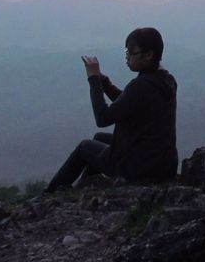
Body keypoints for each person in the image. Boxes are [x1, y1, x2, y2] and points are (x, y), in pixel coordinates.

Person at [45, 27, 178, 192]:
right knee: (99, 138)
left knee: (84, 147)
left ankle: (50, 194)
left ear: (149, 54)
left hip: (138, 168)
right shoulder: (165, 80)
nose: (127, 56)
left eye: (131, 52)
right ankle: (85, 188)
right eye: (126, 51)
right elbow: (128, 104)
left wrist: (93, 79)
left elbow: (103, 118)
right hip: (161, 163)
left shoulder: (141, 85)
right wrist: (105, 83)